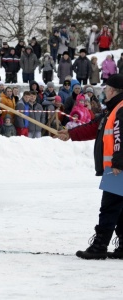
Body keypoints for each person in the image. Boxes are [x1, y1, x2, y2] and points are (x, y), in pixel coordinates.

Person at [56, 74, 123, 259]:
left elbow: (121, 137)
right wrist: (70, 134)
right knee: (120, 208)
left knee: (109, 207)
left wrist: (118, 162)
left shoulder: (121, 109)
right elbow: (94, 127)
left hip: (117, 168)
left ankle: (99, 246)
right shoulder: (113, 109)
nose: (104, 92)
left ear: (112, 90)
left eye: (106, 89)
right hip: (117, 167)